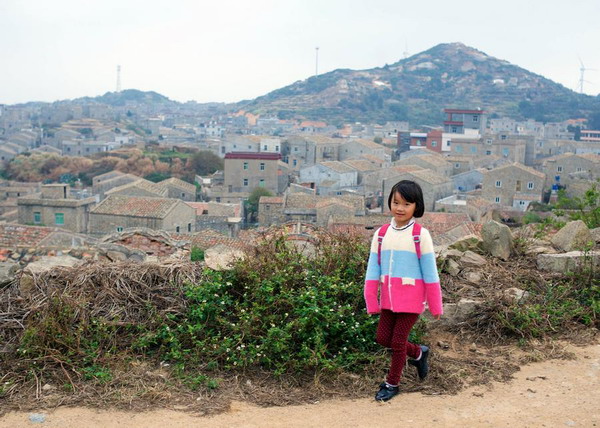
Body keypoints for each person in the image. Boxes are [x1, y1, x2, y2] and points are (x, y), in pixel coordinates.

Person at [363, 180, 443, 402]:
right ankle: (419, 353)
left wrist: (435, 305)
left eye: (406, 203)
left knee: (398, 343)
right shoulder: (381, 234)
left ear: (416, 207)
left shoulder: (420, 235)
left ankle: (392, 383)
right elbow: (372, 269)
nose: (400, 208)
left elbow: (430, 273)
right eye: (396, 202)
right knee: (382, 338)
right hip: (388, 300)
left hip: (411, 300)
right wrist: (372, 299)